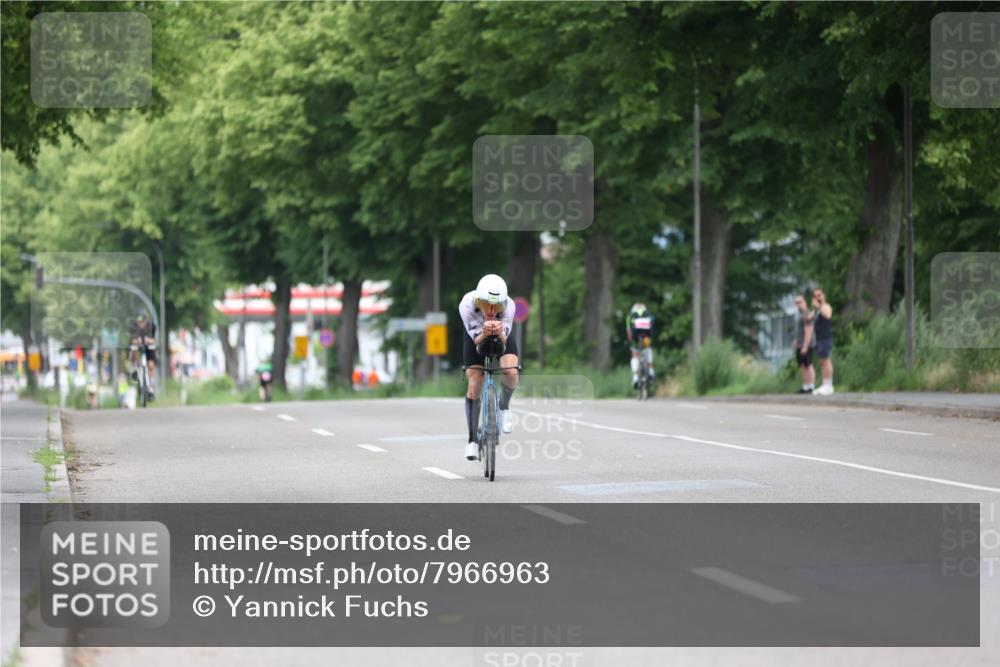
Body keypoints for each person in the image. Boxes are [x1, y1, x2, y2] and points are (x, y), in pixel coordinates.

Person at [459, 274, 519, 461]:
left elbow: (505, 340)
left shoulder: (509, 306)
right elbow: (476, 340)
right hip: (475, 337)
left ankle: (504, 407)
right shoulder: (467, 305)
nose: (492, 310)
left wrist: (499, 333)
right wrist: (484, 332)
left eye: (497, 306)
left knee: (511, 370)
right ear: (479, 301)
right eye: (487, 305)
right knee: (476, 380)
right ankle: (472, 440)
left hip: (501, 335)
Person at [128, 311, 157, 400]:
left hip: (148, 347)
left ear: (146, 321)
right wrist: (137, 341)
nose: (140, 324)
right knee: (134, 349)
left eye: (142, 322)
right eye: (139, 322)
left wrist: (149, 340)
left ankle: (151, 388)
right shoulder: (133, 327)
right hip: (138, 346)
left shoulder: (151, 326)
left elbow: (154, 340)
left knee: (151, 365)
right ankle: (135, 368)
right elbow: (132, 340)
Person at [811, 287, 835, 395]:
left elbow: (827, 315)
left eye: (819, 295)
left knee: (826, 360)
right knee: (822, 362)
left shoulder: (825, 306)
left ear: (823, 295)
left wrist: (819, 306)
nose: (817, 297)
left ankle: (829, 385)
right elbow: (808, 318)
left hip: (825, 337)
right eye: (815, 296)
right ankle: (825, 384)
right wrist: (814, 308)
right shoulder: (816, 310)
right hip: (819, 338)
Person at [626, 302, 655, 389]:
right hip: (646, 333)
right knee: (648, 348)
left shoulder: (630, 316)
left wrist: (630, 340)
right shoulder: (647, 314)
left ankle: (635, 377)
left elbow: (629, 332)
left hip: (636, 334)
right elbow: (652, 327)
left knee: (635, 354)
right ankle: (650, 370)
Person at [793, 294, 816, 394]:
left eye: (800, 302)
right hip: (800, 344)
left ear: (805, 302)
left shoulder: (806, 314)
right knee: (802, 365)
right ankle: (806, 386)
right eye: (796, 302)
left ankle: (811, 386)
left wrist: (805, 346)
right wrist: (796, 341)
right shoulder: (799, 314)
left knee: (808, 364)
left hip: (806, 345)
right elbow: (799, 331)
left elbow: (808, 331)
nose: (798, 304)